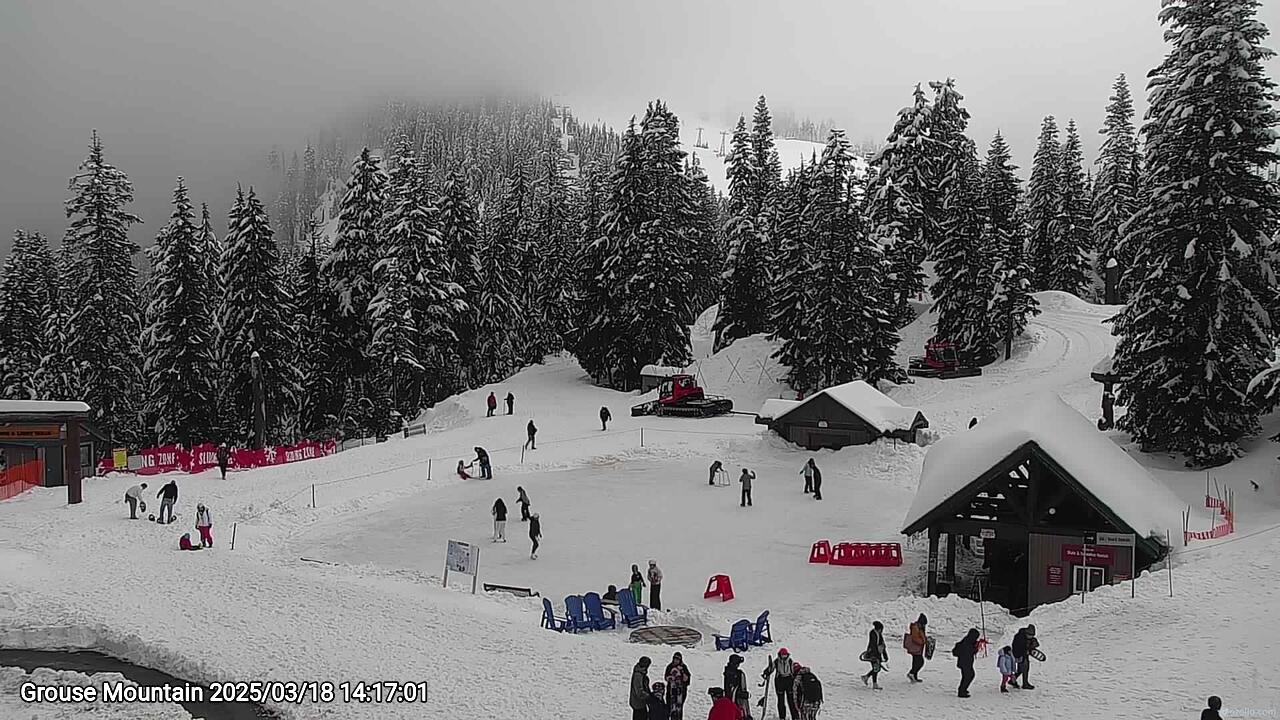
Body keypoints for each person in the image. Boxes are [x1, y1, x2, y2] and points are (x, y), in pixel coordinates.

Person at [761, 648, 798, 719]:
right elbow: (771, 668)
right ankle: (782, 716)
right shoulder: (777, 661)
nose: (784, 657)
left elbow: (793, 670)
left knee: (791, 700)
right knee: (781, 700)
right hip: (780, 681)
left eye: (785, 655)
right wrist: (766, 672)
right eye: (783, 655)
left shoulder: (790, 661)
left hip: (789, 681)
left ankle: (795, 716)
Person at [953, 628, 980, 698]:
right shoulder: (967, 643)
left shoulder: (967, 640)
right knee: (969, 676)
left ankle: (963, 689)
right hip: (965, 663)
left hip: (965, 663)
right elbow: (970, 651)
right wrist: (975, 648)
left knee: (967, 676)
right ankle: (962, 691)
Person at [860, 621, 887, 689]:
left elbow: (882, 645)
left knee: (877, 668)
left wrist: (885, 655)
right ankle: (874, 684)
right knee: (876, 668)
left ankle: (866, 677)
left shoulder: (879, 634)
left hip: (878, 653)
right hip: (873, 654)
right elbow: (873, 645)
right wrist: (875, 656)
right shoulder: (873, 633)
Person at [664, 652, 691, 720]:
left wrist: (681, 671)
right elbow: (666, 677)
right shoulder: (670, 667)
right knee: (671, 709)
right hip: (671, 692)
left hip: (680, 693)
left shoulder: (683, 667)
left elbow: (687, 679)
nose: (676, 661)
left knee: (679, 710)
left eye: (677, 659)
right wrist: (671, 678)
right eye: (675, 659)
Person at [1010, 624, 1037, 689]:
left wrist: (1033, 644)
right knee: (1025, 668)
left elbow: (1032, 643)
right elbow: (1020, 648)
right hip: (1020, 655)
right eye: (1030, 635)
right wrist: (1027, 649)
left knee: (1020, 669)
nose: (1031, 637)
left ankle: (1012, 680)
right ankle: (1025, 684)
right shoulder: (1020, 638)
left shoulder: (1025, 637)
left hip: (1023, 655)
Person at [723, 654, 749, 719]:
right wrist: (742, 694)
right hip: (735, 702)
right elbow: (731, 692)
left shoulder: (729, 672)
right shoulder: (732, 674)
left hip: (734, 701)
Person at [904, 613, 928, 682]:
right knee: (920, 662)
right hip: (916, 648)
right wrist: (923, 641)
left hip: (918, 648)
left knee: (915, 662)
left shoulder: (920, 627)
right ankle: (911, 673)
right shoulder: (915, 627)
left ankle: (914, 676)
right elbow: (915, 638)